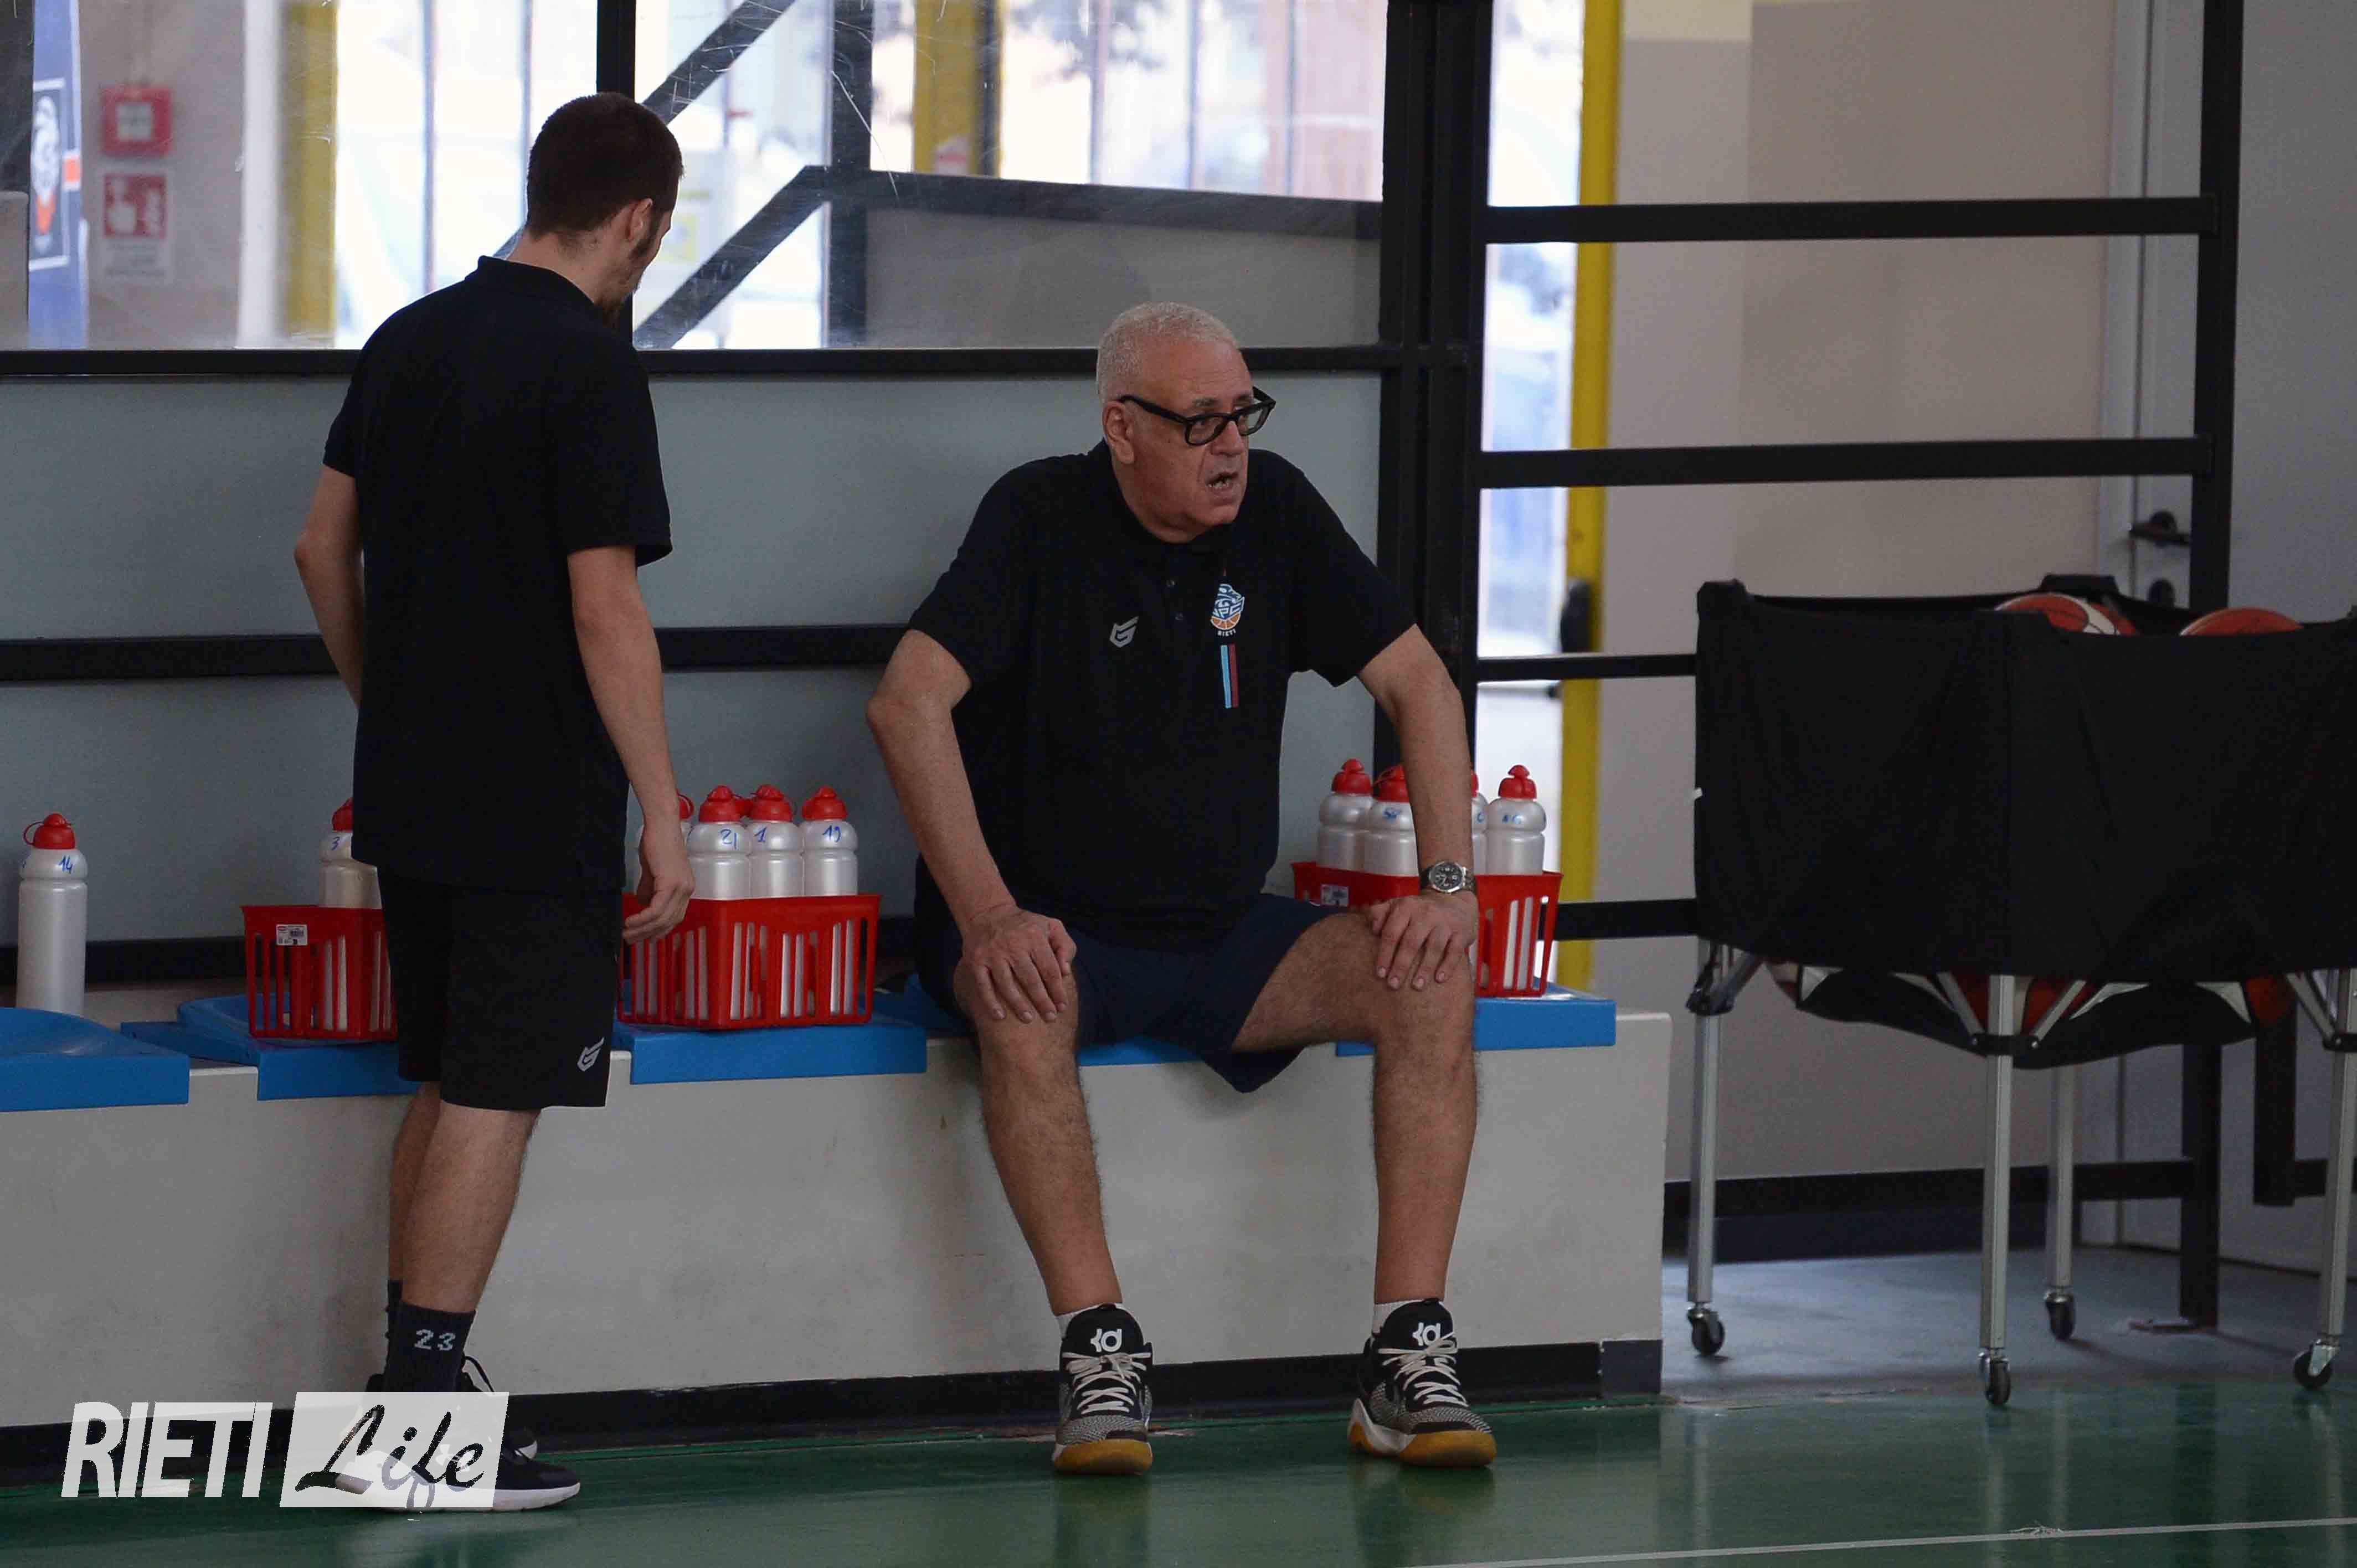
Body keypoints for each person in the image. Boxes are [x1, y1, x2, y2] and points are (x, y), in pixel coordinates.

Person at [868, 302, 1491, 1477]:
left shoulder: (1279, 511)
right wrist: (988, 914)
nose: (1231, 447)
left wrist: (1449, 885)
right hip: (1057, 934)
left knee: (1427, 975)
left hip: (1218, 933)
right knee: (1022, 995)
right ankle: (1099, 1352)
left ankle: (1405, 1348)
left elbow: (1420, 682)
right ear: (1122, 427)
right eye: (1200, 422)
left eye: (1243, 415)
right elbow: (906, 703)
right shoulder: (1038, 515)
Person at [294, 92, 694, 1512]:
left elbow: (320, 546)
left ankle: (407, 1385)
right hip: (535, 792)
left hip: (412, 785)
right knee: (496, 1090)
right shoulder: (589, 365)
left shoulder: (411, 336)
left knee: (448, 1077)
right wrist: (664, 808)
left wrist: (385, 697)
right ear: (639, 219)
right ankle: (416, 1419)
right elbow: (606, 605)